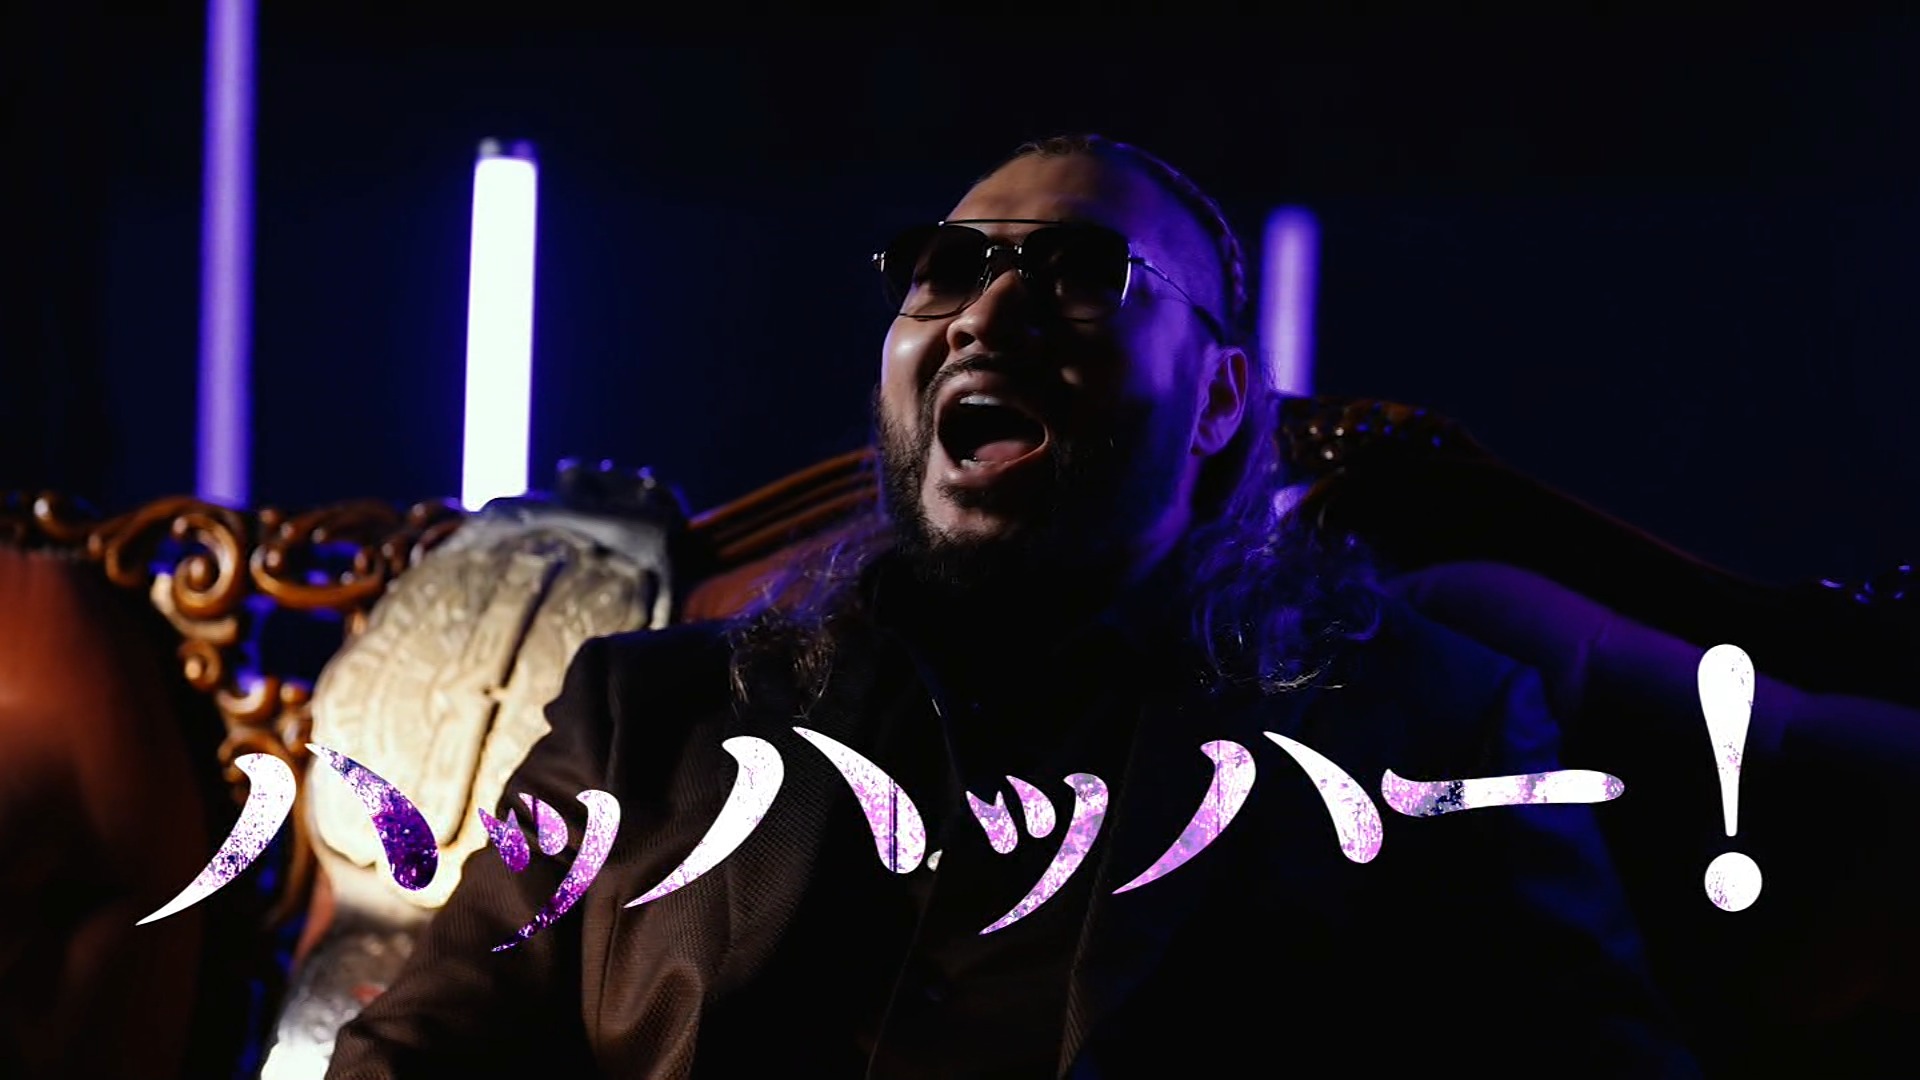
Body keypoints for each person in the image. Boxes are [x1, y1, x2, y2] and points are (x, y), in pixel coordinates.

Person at [326, 134, 1701, 1078]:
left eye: (1083, 274)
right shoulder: (648, 715)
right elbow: (418, 1054)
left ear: (1222, 399)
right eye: (949, 268)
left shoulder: (1428, 730)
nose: (989, 313)